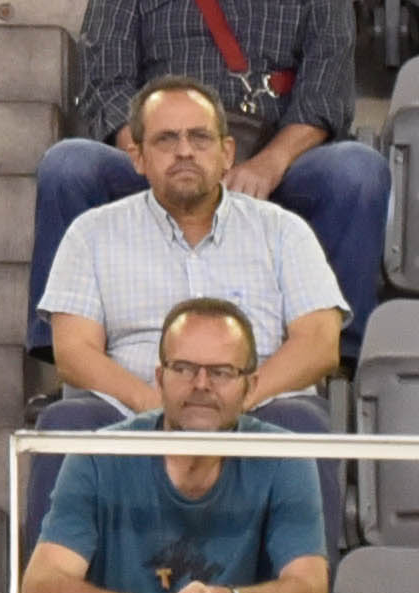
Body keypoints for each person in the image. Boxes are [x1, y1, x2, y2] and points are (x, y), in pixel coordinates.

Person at [23, 297, 338, 593]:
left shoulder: (285, 457)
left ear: (251, 386)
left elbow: (309, 591)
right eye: (184, 368)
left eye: (222, 371)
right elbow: (41, 585)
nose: (201, 385)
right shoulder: (98, 453)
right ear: (160, 377)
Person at [48, 73, 353, 424]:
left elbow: (318, 343)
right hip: (134, 416)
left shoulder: (284, 231)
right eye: (166, 139)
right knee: (66, 421)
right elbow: (73, 351)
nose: (184, 151)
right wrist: (153, 408)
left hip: (259, 411)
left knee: (304, 422)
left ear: (227, 153)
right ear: (138, 157)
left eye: (200, 137)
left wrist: (232, 404)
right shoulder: (91, 234)